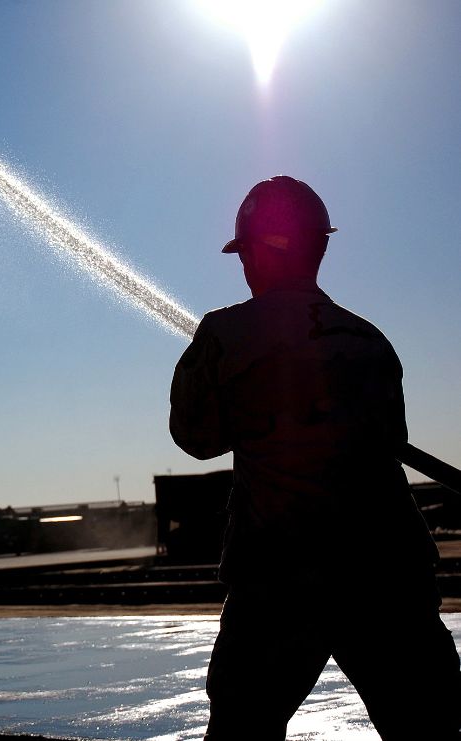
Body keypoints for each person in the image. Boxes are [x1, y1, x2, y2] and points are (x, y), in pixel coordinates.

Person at [169, 176, 461, 740]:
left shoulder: (224, 334)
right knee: (433, 733)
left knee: (242, 736)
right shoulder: (369, 340)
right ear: (318, 248)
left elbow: (196, 437)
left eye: (245, 253)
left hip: (279, 581)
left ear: (259, 252)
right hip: (389, 578)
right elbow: (387, 442)